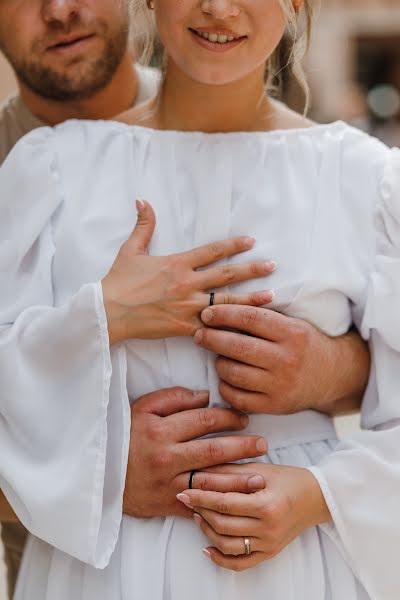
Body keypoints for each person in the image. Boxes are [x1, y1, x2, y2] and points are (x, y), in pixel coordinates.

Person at [0, 1, 379, 599]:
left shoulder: (365, 179)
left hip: (301, 569)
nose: (218, 8)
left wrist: (317, 494)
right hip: (101, 573)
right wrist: (99, 317)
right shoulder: (53, 167)